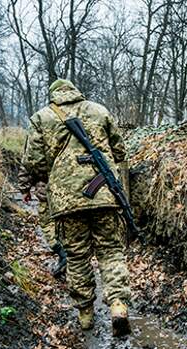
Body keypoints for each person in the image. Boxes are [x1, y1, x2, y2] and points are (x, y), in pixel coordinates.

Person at [20, 79, 131, 336]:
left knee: (77, 257)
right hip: (104, 194)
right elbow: (120, 151)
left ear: (53, 95)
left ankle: (85, 314)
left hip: (66, 201)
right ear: (75, 91)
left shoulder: (41, 117)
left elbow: (34, 162)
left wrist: (57, 174)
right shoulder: (99, 110)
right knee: (111, 251)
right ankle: (117, 305)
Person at [17, 167, 67, 278]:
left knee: (48, 225)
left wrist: (25, 189)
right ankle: (69, 259)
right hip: (72, 188)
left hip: (48, 190)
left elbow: (28, 163)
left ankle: (63, 255)